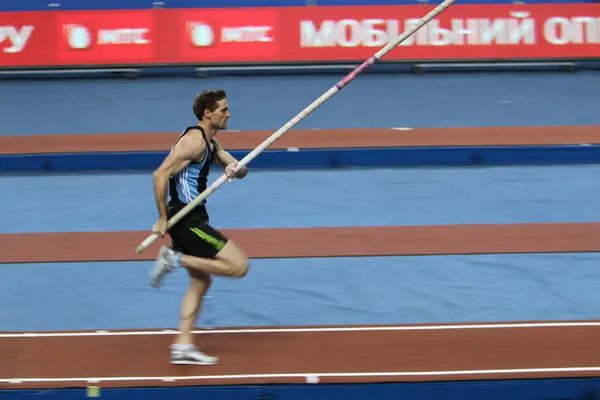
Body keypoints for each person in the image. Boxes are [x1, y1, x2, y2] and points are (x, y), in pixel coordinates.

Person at [149, 89, 250, 366]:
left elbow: (241, 170)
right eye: (223, 110)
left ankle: (182, 346)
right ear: (208, 113)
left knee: (201, 280)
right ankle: (175, 258)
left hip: (191, 219)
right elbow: (160, 174)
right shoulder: (195, 142)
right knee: (240, 266)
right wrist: (161, 219)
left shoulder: (211, 143)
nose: (229, 114)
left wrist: (233, 169)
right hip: (186, 219)